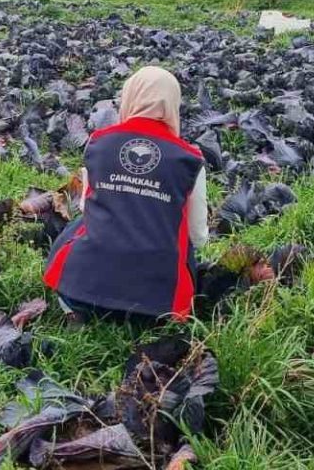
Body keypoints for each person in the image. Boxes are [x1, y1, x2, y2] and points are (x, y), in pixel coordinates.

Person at [43, 66, 209, 323]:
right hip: (158, 311)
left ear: (130, 97)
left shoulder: (99, 142)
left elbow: (87, 207)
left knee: (79, 224)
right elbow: (198, 236)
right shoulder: (190, 159)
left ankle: (72, 308)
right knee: (181, 241)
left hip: (81, 295)